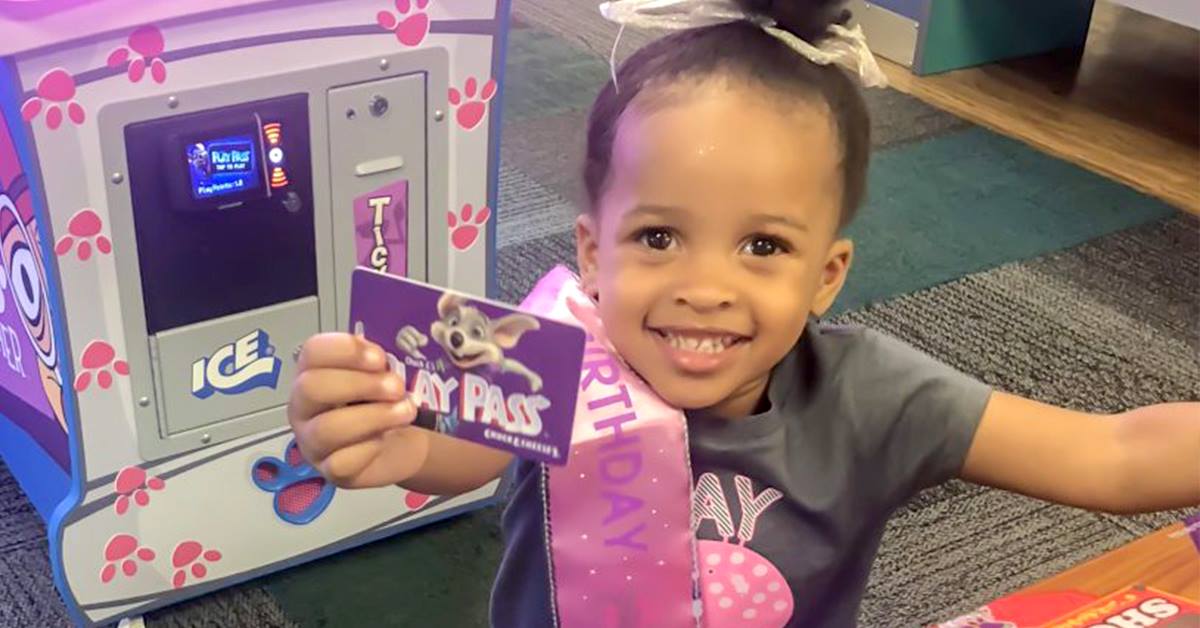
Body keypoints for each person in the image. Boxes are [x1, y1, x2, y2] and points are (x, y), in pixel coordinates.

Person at [286, 0, 1200, 625]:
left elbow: (1111, 454)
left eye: (763, 246)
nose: (706, 287)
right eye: (658, 237)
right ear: (593, 254)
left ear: (827, 275)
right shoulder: (561, 354)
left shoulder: (871, 396)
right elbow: (454, 456)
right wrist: (393, 445)